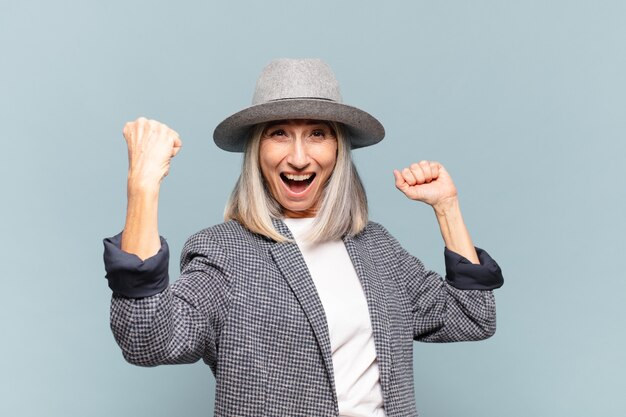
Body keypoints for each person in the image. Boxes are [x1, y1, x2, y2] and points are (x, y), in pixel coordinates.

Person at [103, 59, 503, 417]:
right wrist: (143, 188)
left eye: (317, 134)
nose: (297, 157)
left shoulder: (376, 247)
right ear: (257, 150)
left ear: (338, 149)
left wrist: (447, 207)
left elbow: (472, 317)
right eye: (279, 133)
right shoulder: (223, 251)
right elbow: (148, 340)